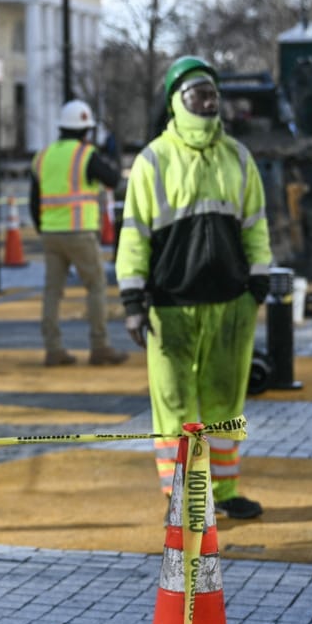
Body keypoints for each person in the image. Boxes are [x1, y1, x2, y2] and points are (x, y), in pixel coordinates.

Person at [116, 55, 273, 519]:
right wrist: (132, 300)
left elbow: (256, 226)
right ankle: (183, 499)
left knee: (226, 403)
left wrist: (258, 281)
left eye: (212, 94)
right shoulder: (152, 161)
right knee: (175, 407)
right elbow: (134, 235)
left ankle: (224, 493)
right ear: (175, 102)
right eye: (196, 94)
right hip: (170, 307)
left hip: (231, 304)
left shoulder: (237, 158)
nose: (207, 101)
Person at [29, 99, 128, 368]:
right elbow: (112, 179)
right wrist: (112, 153)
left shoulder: (43, 156)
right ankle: (99, 346)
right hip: (80, 232)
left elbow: (33, 201)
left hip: (51, 234)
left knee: (53, 291)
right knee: (95, 286)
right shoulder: (86, 155)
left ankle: (53, 348)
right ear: (86, 130)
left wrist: (43, 228)